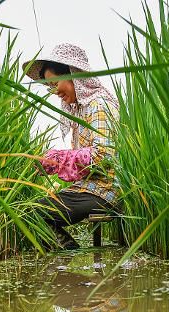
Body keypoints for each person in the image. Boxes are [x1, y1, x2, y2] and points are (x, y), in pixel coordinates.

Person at [23, 43, 121, 250]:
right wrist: (51, 162)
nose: (54, 91)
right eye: (49, 86)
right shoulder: (79, 111)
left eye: (55, 82)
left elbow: (104, 155)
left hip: (103, 191)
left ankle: (67, 266)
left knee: (33, 213)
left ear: (73, 74)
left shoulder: (98, 104)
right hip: (88, 189)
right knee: (31, 211)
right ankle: (69, 262)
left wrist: (58, 159)